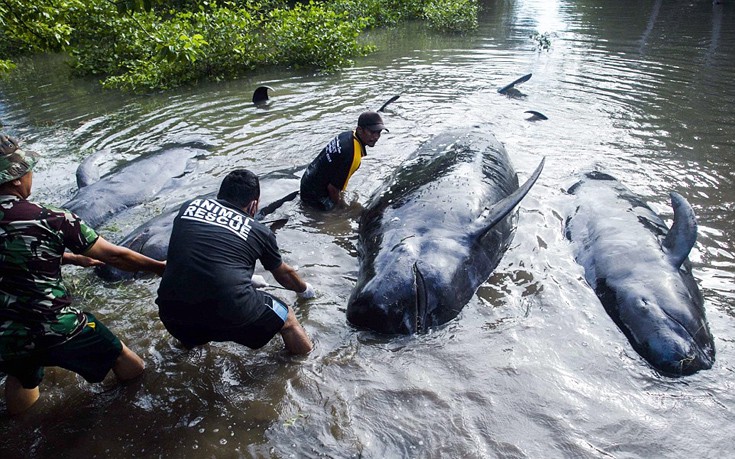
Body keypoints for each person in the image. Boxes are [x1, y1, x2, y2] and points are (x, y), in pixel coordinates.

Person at [0, 134, 166, 415]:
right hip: (54, 323)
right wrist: (161, 268)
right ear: (16, 177)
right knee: (124, 358)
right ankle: (134, 414)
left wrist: (71, 258)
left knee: (21, 376)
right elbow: (115, 256)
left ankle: (21, 431)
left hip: (6, 333)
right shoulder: (51, 218)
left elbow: (12, 254)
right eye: (28, 169)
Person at [156, 169, 315, 355]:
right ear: (254, 204)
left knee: (192, 305)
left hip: (172, 315)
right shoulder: (260, 232)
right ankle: (305, 361)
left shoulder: (188, 207)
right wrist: (305, 290)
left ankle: (186, 351)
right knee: (287, 317)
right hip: (231, 315)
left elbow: (203, 255)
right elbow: (284, 275)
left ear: (220, 194)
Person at [300, 111, 388, 211]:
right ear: (359, 130)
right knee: (347, 213)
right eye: (372, 132)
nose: (376, 137)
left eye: (379, 132)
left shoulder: (347, 135)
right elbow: (333, 189)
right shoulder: (352, 155)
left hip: (307, 180)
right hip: (314, 195)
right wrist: (341, 208)